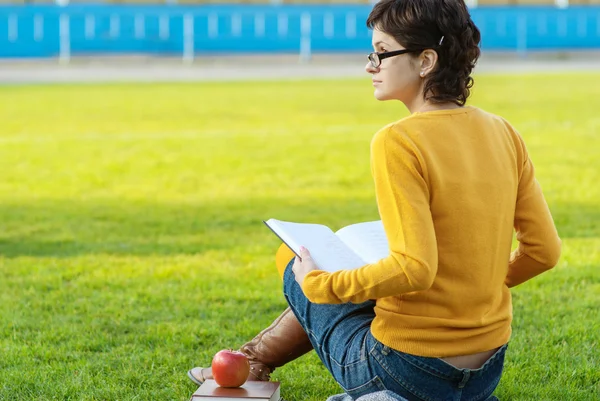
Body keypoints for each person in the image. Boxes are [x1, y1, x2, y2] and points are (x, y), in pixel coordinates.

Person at [188, 0, 562, 399]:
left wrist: (319, 285)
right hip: (484, 372)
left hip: (404, 370)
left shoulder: (398, 140)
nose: (370, 65)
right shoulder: (504, 132)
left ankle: (257, 365)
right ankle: (252, 361)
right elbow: (544, 251)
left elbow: (414, 269)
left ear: (425, 61)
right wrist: (470, 287)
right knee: (355, 272)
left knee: (298, 265)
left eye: (383, 53)